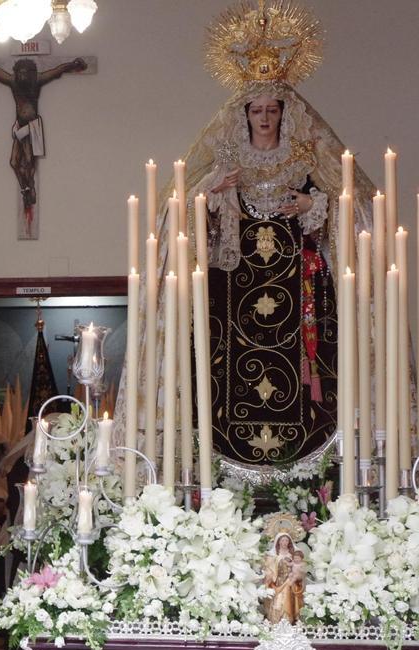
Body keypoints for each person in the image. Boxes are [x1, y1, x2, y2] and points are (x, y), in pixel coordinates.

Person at [116, 1, 379, 471]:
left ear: (285, 113)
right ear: (244, 114)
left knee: (307, 376)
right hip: (228, 299)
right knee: (218, 371)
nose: (264, 117)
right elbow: (179, 221)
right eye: (255, 109)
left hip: (301, 298)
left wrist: (312, 206)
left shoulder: (309, 161)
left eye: (272, 109)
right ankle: (217, 458)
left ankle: (315, 455)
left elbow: (356, 206)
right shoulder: (223, 166)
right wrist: (207, 197)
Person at [0, 57, 88, 209]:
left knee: (28, 162)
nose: (23, 76)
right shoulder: (13, 82)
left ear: (32, 73)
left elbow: (56, 71)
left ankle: (30, 187)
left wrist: (72, 65)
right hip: (19, 126)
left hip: (32, 127)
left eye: (26, 73)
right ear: (16, 73)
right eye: (20, 73)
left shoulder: (37, 80)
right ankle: (25, 188)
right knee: (13, 163)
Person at [262, 532, 305, 624]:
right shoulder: (273, 555)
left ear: (289, 541)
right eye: (282, 540)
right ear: (278, 542)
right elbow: (269, 569)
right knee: (278, 599)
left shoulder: (293, 555)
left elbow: (299, 567)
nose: (285, 542)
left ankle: (289, 619)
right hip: (278, 581)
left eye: (286, 540)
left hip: (290, 581)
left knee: (289, 598)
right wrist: (270, 576)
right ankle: (277, 619)